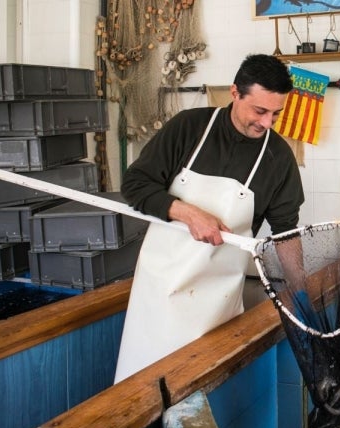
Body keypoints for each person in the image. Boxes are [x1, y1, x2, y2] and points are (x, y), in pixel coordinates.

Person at [114, 53, 304, 383]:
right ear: (235, 93)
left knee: (207, 391)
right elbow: (134, 184)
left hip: (217, 305)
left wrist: (301, 295)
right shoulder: (189, 128)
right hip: (160, 292)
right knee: (142, 387)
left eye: (276, 113)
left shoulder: (278, 157)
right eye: (259, 111)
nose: (267, 123)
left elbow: (286, 231)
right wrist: (188, 213)